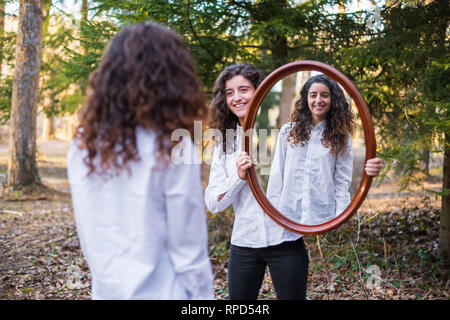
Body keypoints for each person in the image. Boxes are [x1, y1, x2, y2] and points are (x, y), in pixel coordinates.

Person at [205, 63, 383, 300]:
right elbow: (212, 203)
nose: (236, 97)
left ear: (260, 91)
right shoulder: (225, 145)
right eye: (229, 92)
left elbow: (325, 169)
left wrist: (368, 172)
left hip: (286, 240)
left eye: (244, 89)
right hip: (245, 243)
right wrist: (238, 178)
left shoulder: (287, 133)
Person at [67, 22, 214, 300]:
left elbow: (91, 233)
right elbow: (188, 250)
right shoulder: (174, 145)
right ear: (174, 78)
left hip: (106, 292)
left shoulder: (82, 145)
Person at [267, 74, 356, 225]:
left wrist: (340, 219)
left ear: (332, 99)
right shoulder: (288, 131)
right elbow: (276, 176)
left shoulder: (341, 136)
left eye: (325, 95)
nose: (318, 100)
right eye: (313, 95)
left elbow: (342, 183)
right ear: (306, 99)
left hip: (322, 218)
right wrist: (271, 215)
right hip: (287, 215)